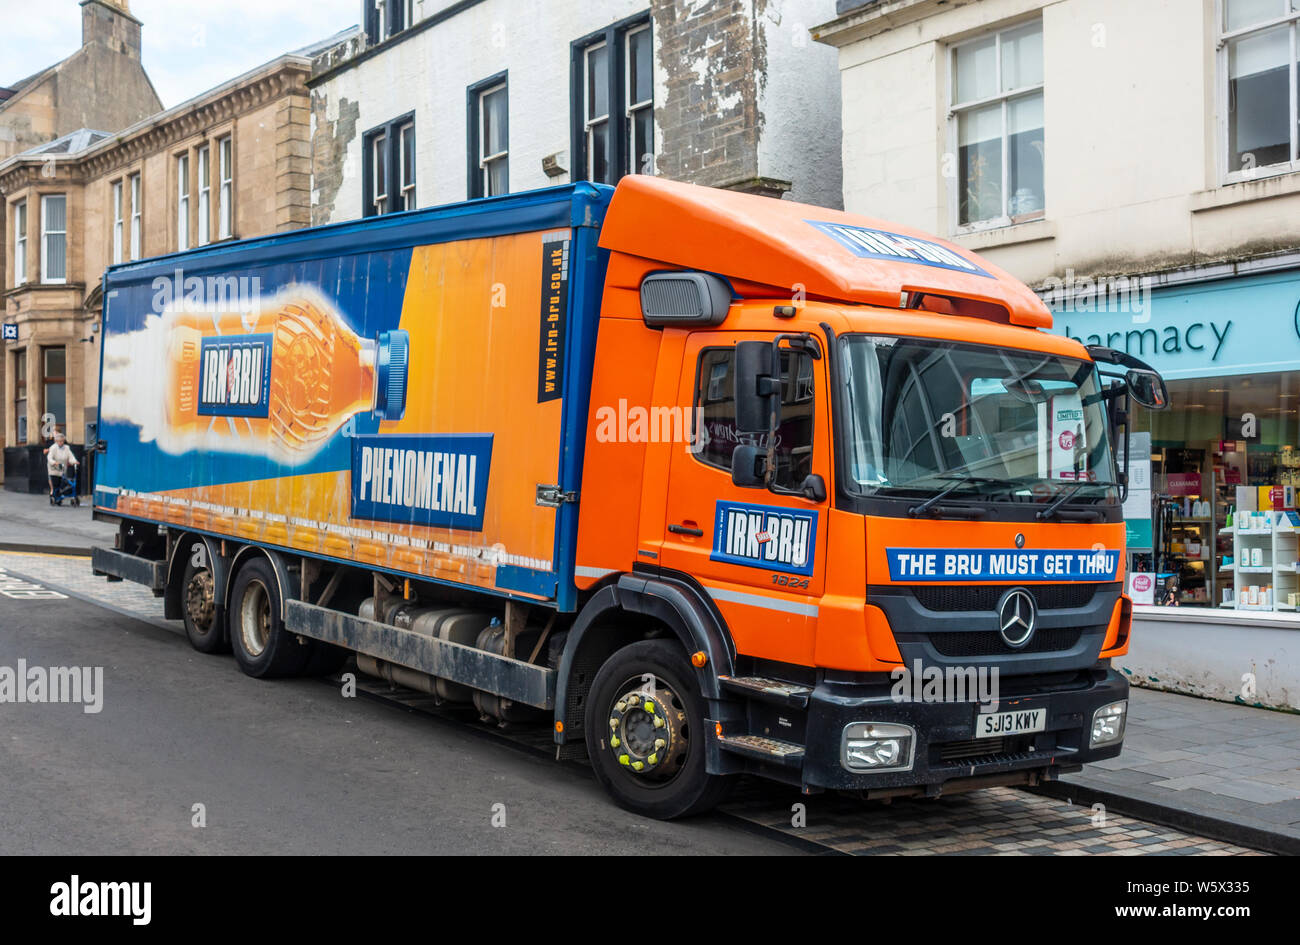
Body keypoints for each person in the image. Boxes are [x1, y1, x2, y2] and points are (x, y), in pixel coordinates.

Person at [45, 431, 79, 500]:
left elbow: (71, 456)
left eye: (62, 441)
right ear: (56, 441)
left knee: (63, 483)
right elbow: (49, 457)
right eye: (59, 441)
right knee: (56, 483)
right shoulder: (53, 448)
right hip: (53, 469)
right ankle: (55, 496)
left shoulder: (67, 448)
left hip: (62, 468)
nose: (61, 443)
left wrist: (74, 461)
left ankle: (60, 494)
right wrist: (54, 462)